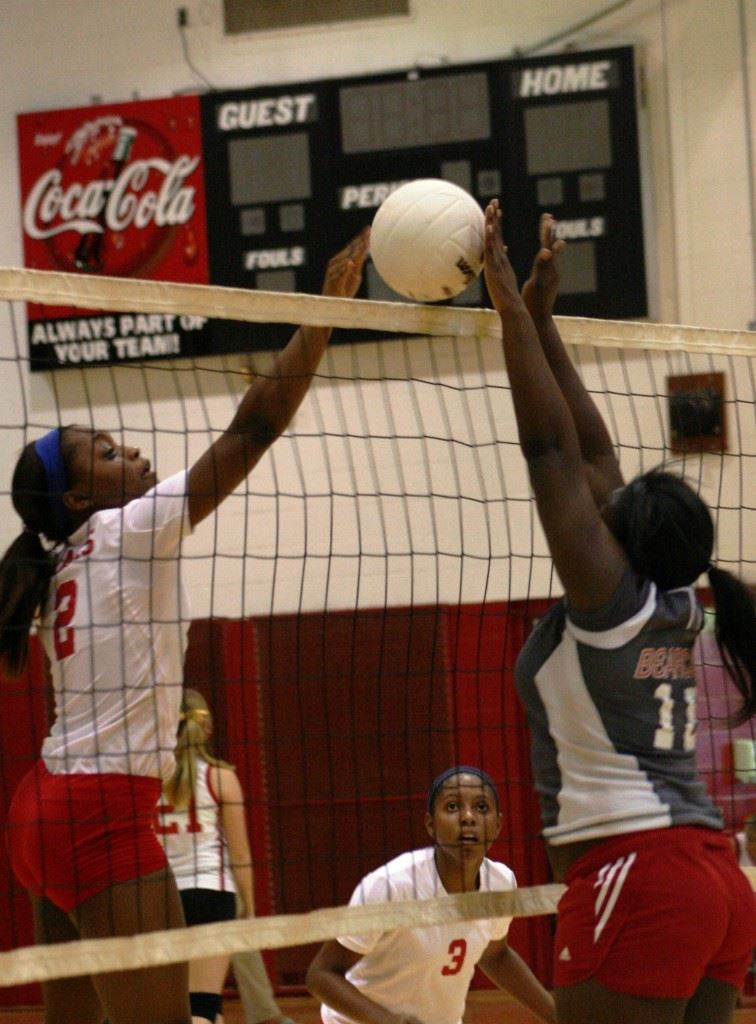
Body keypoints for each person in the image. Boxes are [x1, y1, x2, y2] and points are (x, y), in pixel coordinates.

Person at [0, 227, 370, 1024]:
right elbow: (252, 430)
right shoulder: (126, 529)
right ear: (76, 499)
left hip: (47, 806)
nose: (129, 450)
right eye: (104, 452)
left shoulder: (63, 560)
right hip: (96, 814)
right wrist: (324, 314)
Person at [482, 202, 756, 1024]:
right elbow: (595, 457)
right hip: (714, 875)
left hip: (637, 874)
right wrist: (542, 318)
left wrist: (508, 315)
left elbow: (555, 454)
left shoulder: (611, 603)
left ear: (616, 533)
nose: (596, 499)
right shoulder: (673, 598)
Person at [306, 765, 556, 1024]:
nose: (468, 817)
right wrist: (388, 1021)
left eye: (481, 807)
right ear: (430, 824)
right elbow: (321, 974)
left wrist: (557, 1014)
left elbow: (496, 955)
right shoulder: (392, 886)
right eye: (452, 807)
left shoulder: (501, 883)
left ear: (497, 825)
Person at [156, 688, 254, 1024]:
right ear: (207, 728)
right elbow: (240, 852)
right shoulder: (221, 777)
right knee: (203, 1007)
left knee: (174, 1009)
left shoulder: (145, 778)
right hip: (212, 895)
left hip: (160, 899)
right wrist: (249, 906)